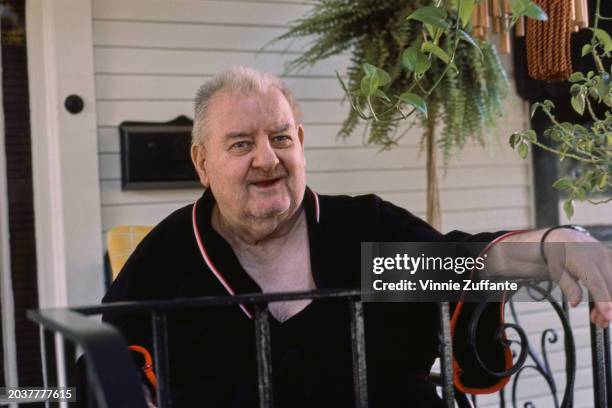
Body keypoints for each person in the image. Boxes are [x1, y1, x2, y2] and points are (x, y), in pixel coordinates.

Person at [102, 66, 612, 407]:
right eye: (241, 144)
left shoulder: (358, 236)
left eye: (280, 138)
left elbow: (462, 263)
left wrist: (556, 243)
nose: (267, 159)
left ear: (300, 144)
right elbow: (106, 375)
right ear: (202, 163)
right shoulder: (168, 262)